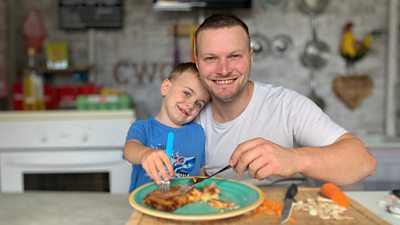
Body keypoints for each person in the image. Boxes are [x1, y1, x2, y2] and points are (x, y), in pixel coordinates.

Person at [194, 13, 376, 186]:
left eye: (234, 56)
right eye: (210, 58)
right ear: (196, 62)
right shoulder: (186, 112)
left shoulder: (287, 106)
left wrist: (296, 159)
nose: (224, 70)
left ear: (251, 58)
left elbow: (363, 162)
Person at [124, 62, 210, 192]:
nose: (191, 105)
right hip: (145, 206)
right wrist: (145, 154)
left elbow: (200, 174)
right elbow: (129, 150)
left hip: (184, 206)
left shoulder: (198, 133)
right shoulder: (143, 128)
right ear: (166, 87)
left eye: (198, 104)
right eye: (187, 93)